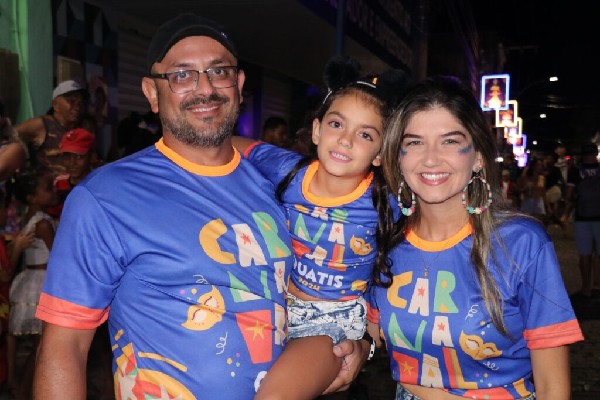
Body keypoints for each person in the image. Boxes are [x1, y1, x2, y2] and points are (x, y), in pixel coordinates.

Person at [32, 14, 367, 399]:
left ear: (239, 85)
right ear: (151, 92)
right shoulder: (107, 197)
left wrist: (359, 343)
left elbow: (341, 282)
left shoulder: (284, 190)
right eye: (182, 75)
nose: (204, 88)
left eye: (219, 71)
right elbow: (65, 345)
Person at [369, 76, 583, 399]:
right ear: (398, 157)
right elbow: (366, 332)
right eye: (414, 143)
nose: (431, 159)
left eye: (450, 141)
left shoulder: (521, 243)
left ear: (479, 157)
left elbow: (553, 387)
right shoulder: (384, 239)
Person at [232, 55, 411, 400]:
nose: (346, 140)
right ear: (316, 130)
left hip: (333, 323)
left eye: (365, 134)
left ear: (380, 153)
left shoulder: (383, 201)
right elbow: (233, 147)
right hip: (272, 307)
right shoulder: (289, 170)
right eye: (336, 124)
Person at [6, 167, 57, 400]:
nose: (53, 191)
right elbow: (57, 254)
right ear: (32, 198)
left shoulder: (29, 217)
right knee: (40, 346)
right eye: (47, 189)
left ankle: (21, 388)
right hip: (41, 282)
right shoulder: (42, 223)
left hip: (30, 279)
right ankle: (24, 390)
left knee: (38, 345)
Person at [15, 80, 86, 174]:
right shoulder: (42, 125)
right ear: (55, 104)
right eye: (71, 102)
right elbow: (10, 134)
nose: (77, 107)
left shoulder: (81, 129)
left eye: (80, 103)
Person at [563, 142, 600, 300]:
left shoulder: (576, 171)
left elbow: (569, 195)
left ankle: (586, 288)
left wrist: (568, 208)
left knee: (585, 254)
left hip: (582, 218)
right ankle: (597, 285)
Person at [46, 128, 96, 219]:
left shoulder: (99, 184)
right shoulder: (59, 183)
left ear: (92, 157)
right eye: (67, 156)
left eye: (79, 157)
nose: (72, 163)